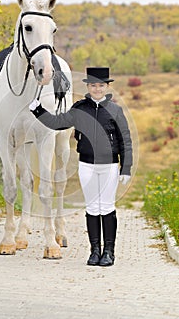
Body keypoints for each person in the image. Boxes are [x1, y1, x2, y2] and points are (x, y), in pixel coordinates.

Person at [29, 67, 133, 266]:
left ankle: (109, 252)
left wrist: (126, 167)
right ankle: (95, 251)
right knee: (93, 208)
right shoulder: (79, 108)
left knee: (107, 207)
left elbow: (125, 140)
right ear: (88, 86)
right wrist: (38, 110)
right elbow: (57, 123)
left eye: (100, 85)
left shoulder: (115, 110)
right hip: (87, 165)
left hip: (109, 166)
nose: (97, 89)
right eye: (93, 85)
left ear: (107, 87)